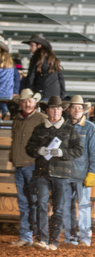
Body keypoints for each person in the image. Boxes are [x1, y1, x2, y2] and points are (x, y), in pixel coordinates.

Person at [26, 96, 83, 250]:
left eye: (58, 108)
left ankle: (54, 240)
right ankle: (43, 239)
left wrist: (62, 152)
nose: (56, 111)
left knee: (58, 208)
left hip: (62, 174)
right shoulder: (39, 129)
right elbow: (29, 148)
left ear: (62, 110)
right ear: (47, 110)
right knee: (41, 205)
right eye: (53, 108)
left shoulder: (70, 130)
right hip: (43, 173)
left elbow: (79, 150)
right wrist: (38, 150)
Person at [9, 89, 46, 246]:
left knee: (35, 201)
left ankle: (37, 235)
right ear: (20, 103)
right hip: (20, 165)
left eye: (29, 101)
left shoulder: (41, 119)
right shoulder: (17, 119)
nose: (27, 104)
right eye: (24, 101)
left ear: (35, 103)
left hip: (33, 165)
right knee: (24, 202)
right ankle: (26, 236)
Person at [63, 95, 95, 246]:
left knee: (83, 206)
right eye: (74, 107)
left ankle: (85, 237)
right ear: (69, 110)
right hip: (66, 173)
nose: (77, 110)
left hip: (82, 173)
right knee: (67, 206)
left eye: (80, 108)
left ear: (84, 110)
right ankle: (70, 236)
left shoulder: (91, 128)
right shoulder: (64, 127)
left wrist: (92, 172)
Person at [20, 34, 65, 100]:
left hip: (41, 93)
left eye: (32, 45)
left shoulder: (36, 58)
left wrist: (29, 91)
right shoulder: (53, 59)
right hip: (55, 93)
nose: (30, 48)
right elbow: (61, 78)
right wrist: (62, 94)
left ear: (39, 46)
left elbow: (31, 77)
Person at [0, 36, 20, 120]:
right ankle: (5, 111)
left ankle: (4, 111)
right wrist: (15, 91)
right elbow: (17, 77)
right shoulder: (10, 63)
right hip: (8, 92)